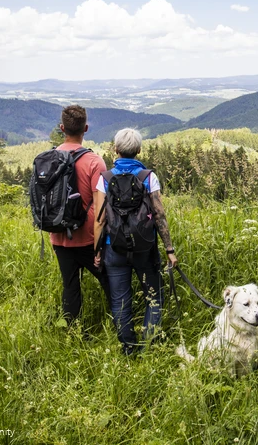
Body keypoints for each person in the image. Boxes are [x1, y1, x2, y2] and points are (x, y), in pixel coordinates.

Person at [94, 128, 178, 355]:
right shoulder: (148, 177)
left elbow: (100, 220)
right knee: (154, 296)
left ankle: (129, 348)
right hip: (145, 247)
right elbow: (159, 215)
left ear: (116, 149)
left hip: (114, 247)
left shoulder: (105, 179)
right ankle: (148, 345)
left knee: (120, 300)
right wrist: (169, 249)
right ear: (139, 150)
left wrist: (97, 251)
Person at [50, 105, 111, 326]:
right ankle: (121, 325)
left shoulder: (50, 159)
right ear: (85, 128)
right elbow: (101, 209)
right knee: (109, 281)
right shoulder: (94, 161)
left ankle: (72, 332)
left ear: (62, 128)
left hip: (59, 236)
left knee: (70, 287)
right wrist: (99, 245)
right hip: (88, 237)